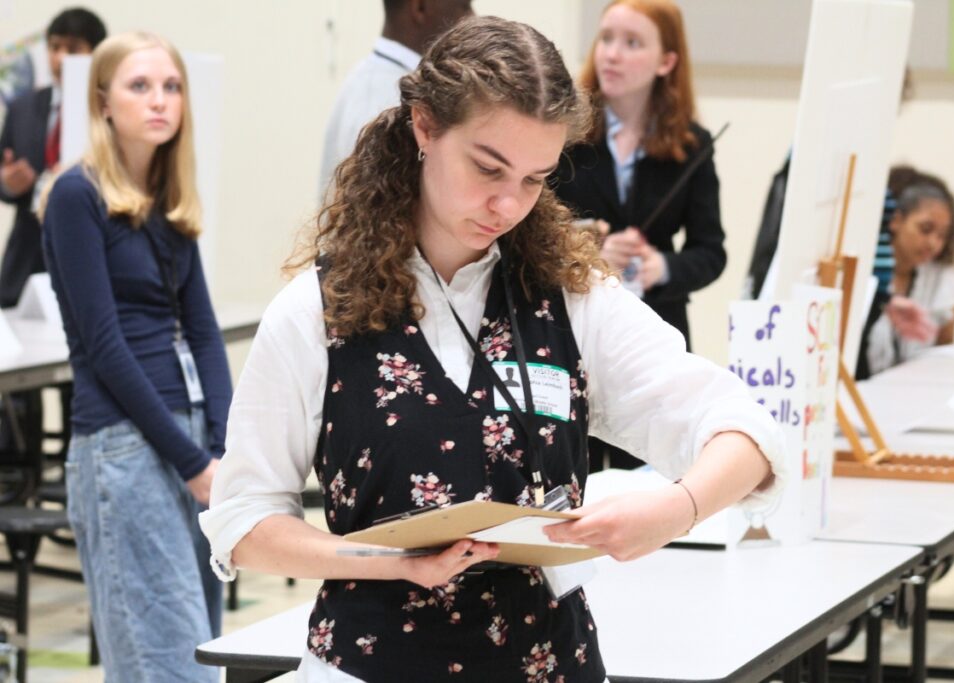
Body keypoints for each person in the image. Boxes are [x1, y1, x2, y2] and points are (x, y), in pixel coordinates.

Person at [202, 16, 783, 683]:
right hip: (370, 665)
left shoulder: (572, 297)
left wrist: (676, 509)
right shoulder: (314, 310)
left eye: (535, 179)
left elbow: (748, 430)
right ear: (423, 126)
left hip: (548, 663)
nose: (507, 203)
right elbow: (243, 520)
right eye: (487, 167)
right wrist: (391, 563)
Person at [40, 32, 231, 681]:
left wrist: (223, 449)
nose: (159, 101)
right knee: (171, 663)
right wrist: (194, 462)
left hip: (192, 436)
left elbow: (204, 329)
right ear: (103, 103)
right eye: (139, 86)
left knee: (203, 646)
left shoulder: (172, 201)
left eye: (171, 87)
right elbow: (103, 345)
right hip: (125, 444)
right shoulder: (77, 196)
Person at [552, 0, 724, 471]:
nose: (611, 54)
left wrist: (662, 266)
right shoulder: (562, 134)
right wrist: (592, 248)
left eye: (632, 43)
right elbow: (530, 228)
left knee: (644, 487)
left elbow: (712, 251)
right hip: (572, 335)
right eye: (606, 38)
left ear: (666, 62)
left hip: (652, 337)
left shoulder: (692, 145)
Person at [0, 7, 107, 309]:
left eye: (72, 49)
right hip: (23, 265)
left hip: (86, 260)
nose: (60, 58)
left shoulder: (108, 110)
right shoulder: (23, 107)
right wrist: (8, 183)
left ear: (96, 53)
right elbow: (3, 175)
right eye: (54, 47)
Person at [317, 0, 473, 195]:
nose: (472, 18)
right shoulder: (383, 102)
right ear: (420, 8)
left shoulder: (372, 79)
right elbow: (379, 214)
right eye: (464, 7)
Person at [856, 165, 954, 379]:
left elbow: (944, 355)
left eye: (943, 236)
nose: (934, 243)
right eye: (925, 229)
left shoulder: (942, 277)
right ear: (895, 221)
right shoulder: (866, 272)